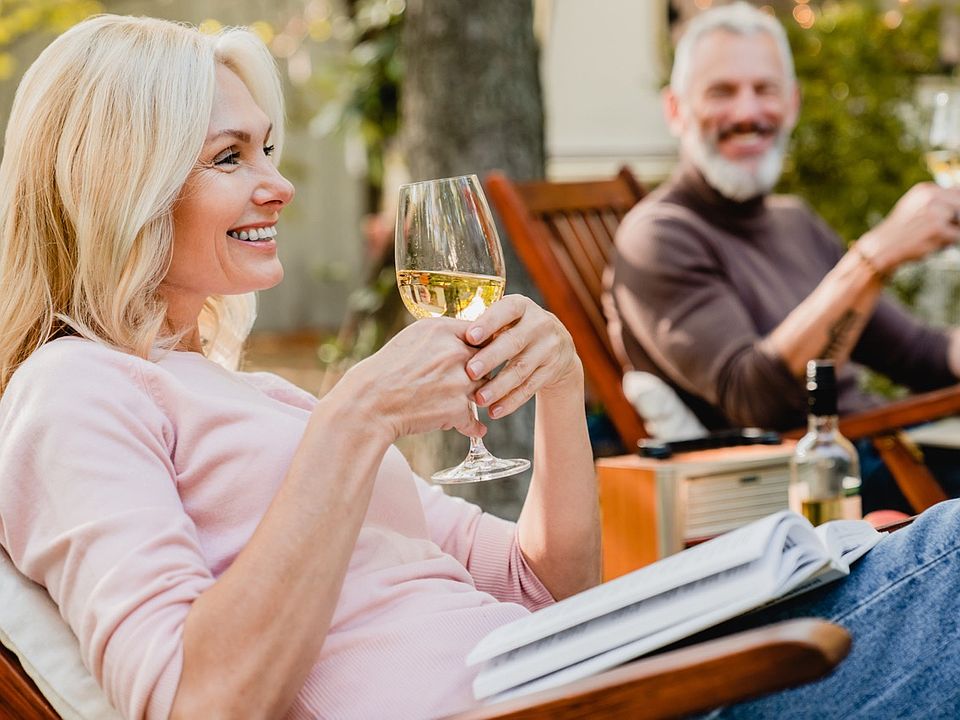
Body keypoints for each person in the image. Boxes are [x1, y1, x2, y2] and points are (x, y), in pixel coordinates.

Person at [0, 15, 601, 720]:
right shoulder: (73, 389)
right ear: (122, 185)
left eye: (268, 149)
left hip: (576, 683)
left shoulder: (259, 396)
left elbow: (545, 590)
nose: (279, 185)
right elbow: (200, 704)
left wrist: (561, 388)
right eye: (230, 158)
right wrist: (359, 414)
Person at [604, 2, 960, 514]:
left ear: (791, 104)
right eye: (721, 92)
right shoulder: (658, 238)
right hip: (829, 485)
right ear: (676, 110)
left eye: (764, 90)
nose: (748, 114)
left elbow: (919, 355)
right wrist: (872, 258)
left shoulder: (794, 221)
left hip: (892, 449)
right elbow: (755, 402)